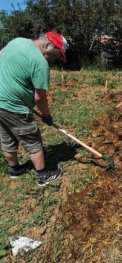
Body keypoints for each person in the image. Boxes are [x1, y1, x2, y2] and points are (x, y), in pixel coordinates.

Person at [0, 32, 69, 186]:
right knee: (33, 139)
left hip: (0, 103)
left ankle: (15, 170)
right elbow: (39, 98)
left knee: (7, 138)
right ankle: (44, 176)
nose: (55, 59)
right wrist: (47, 116)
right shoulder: (40, 62)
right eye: (57, 55)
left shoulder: (17, 41)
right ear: (47, 45)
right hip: (15, 107)